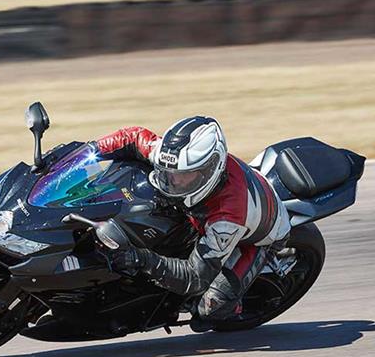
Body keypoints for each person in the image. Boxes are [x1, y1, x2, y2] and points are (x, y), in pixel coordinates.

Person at [95, 116, 291, 332]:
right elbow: (131, 137)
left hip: (256, 239)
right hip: (203, 215)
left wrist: (142, 258)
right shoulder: (176, 158)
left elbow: (194, 277)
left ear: (210, 171)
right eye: (167, 174)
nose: (174, 182)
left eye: (184, 176)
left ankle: (234, 305)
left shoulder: (227, 218)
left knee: (208, 311)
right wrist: (88, 151)